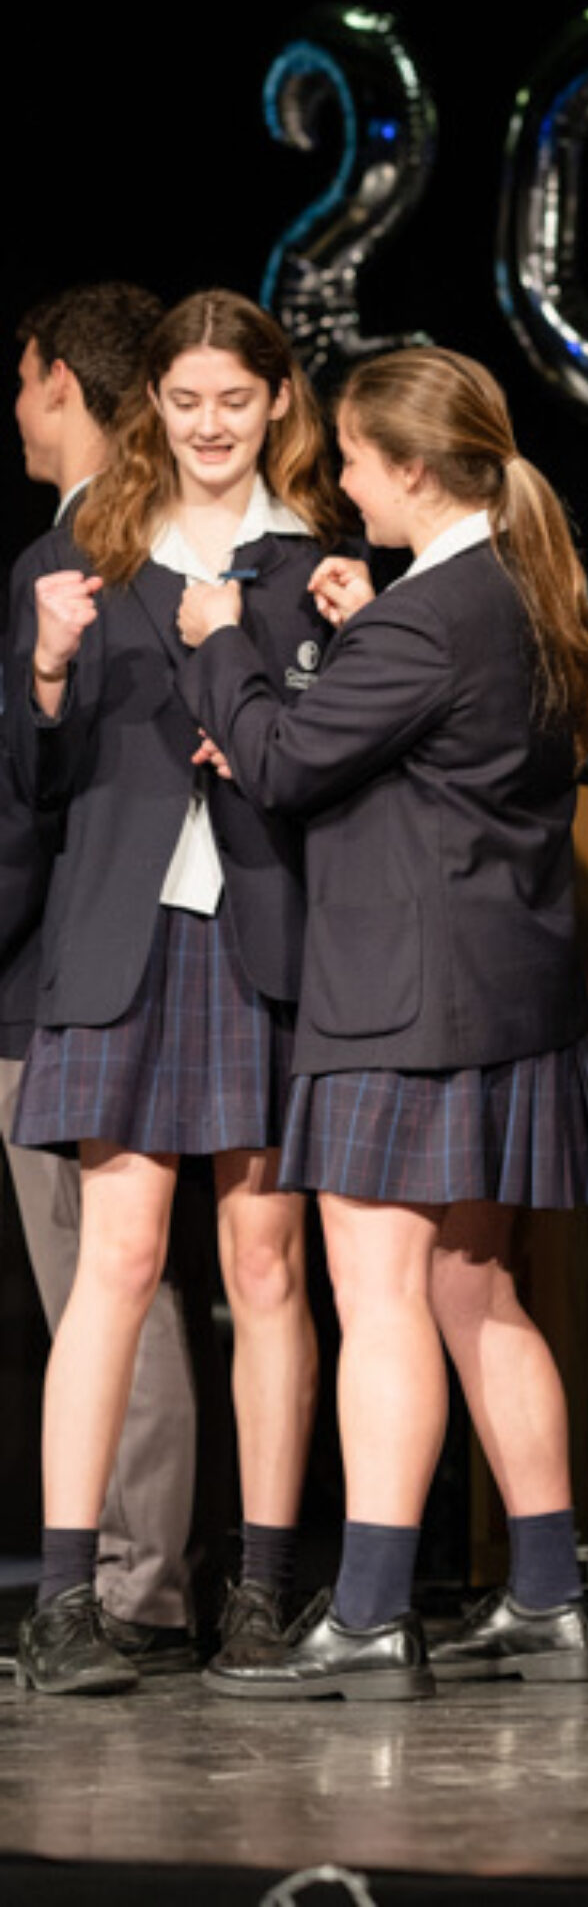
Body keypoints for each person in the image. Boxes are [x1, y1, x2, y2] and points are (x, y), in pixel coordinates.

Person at [178, 346, 588, 1702]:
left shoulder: (428, 619)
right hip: (502, 990)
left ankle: (370, 1613)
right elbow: (430, 748)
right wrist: (363, 632)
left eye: (358, 464)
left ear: (416, 470)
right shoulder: (519, 591)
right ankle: (547, 1596)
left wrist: (221, 648)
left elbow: (282, 764)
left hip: (406, 1004)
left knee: (380, 1299)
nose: (345, 484)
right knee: (474, 1288)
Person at [7, 289, 342, 1696]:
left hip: (263, 935)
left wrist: (278, 715)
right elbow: (32, 784)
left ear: (278, 402)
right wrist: (46, 671)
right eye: (187, 401)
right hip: (124, 940)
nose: (211, 427)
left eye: (236, 401)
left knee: (266, 1268)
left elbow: (347, 763)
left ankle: (261, 1592)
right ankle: (65, 1600)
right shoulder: (79, 550)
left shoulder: (318, 561)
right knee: (120, 1263)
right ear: (151, 402)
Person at [4, 281, 232, 1672]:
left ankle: (137, 1588)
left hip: (65, 977)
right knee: (118, 1277)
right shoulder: (95, 554)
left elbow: (28, 809)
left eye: (23, 380)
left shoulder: (95, 554)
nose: (16, 408)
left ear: (65, 385)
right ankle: (130, 1582)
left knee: (113, 1276)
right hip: (84, 966)